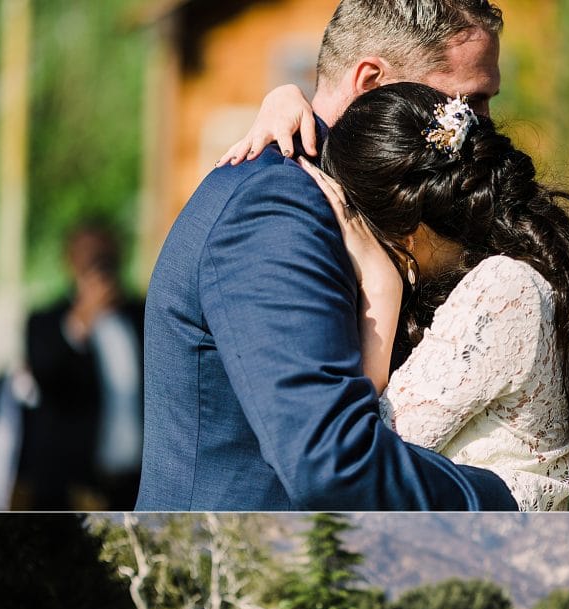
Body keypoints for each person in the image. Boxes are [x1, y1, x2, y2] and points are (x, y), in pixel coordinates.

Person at [136, 0, 515, 513]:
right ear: (371, 83)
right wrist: (506, 498)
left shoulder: (372, 201)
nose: (483, 127)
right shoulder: (278, 206)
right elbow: (330, 461)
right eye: (467, 103)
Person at [223, 80, 569, 511]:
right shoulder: (495, 274)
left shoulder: (502, 291)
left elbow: (360, 459)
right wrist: (285, 96)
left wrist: (380, 286)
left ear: (408, 235)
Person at [18, 222, 144, 511]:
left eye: (104, 253)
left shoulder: (142, 315)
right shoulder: (46, 322)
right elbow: (44, 376)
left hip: (136, 483)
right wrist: (80, 323)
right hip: (73, 487)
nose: (97, 262)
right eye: (87, 254)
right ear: (69, 259)